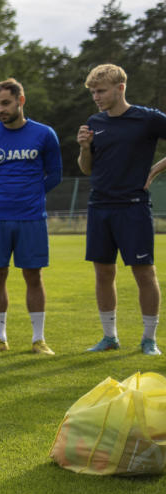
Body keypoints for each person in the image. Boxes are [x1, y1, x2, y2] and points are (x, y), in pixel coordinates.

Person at [77, 63, 166, 355]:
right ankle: (109, 337)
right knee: (103, 273)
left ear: (120, 88)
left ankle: (149, 339)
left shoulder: (147, 119)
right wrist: (85, 148)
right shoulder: (94, 121)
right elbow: (87, 169)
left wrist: (154, 170)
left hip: (133, 207)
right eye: (93, 92)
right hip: (99, 206)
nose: (96, 97)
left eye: (101, 91)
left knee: (144, 273)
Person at [0, 78, 62, 354]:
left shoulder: (45, 134)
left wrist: (30, 195)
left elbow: (55, 175)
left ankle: (39, 339)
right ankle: (0, 339)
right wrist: (4, 196)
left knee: (33, 276)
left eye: (6, 103)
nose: (1, 109)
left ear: (20, 101)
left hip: (32, 218)